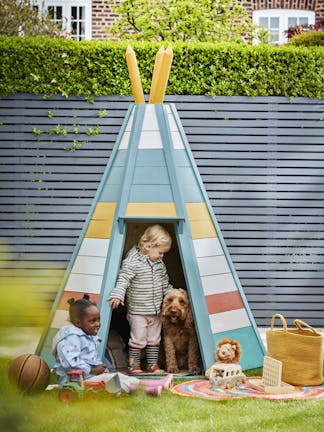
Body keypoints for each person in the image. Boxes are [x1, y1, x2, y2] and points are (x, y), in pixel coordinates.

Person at [109, 224, 173, 374]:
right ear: (149, 246)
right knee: (138, 339)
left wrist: (172, 293)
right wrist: (118, 294)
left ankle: (152, 365)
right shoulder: (133, 261)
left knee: (154, 339)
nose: (162, 256)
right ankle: (133, 365)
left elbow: (164, 283)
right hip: (138, 310)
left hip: (155, 310)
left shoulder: (159, 264)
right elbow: (124, 278)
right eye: (160, 252)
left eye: (164, 253)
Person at [52, 294, 138, 393]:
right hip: (77, 380)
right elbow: (69, 362)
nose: (98, 324)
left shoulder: (86, 335)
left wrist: (100, 368)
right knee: (113, 381)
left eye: (98, 319)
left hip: (90, 376)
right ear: (78, 322)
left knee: (120, 377)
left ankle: (142, 385)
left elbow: (90, 357)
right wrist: (92, 370)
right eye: (92, 321)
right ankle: (142, 388)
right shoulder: (71, 338)